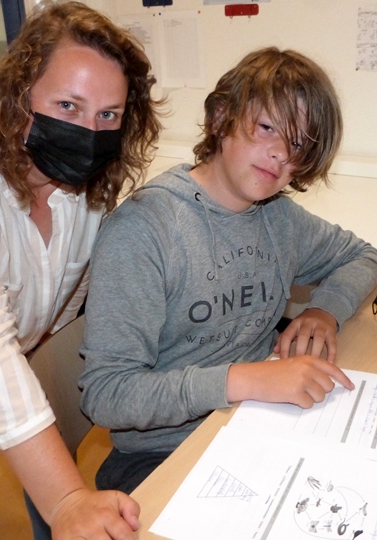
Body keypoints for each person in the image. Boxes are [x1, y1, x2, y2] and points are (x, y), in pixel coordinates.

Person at [0, 1, 163, 538]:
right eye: (68, 105)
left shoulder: (89, 177)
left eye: (108, 115)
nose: (88, 130)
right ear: (19, 94)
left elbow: (75, 282)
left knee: (47, 468)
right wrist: (66, 500)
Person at [79, 47, 377, 495]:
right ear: (220, 118)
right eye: (267, 128)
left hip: (254, 420)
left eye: (298, 144)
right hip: (162, 451)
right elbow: (108, 394)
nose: (280, 154)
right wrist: (245, 378)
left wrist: (324, 311)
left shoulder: (278, 217)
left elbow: (364, 255)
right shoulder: (145, 229)